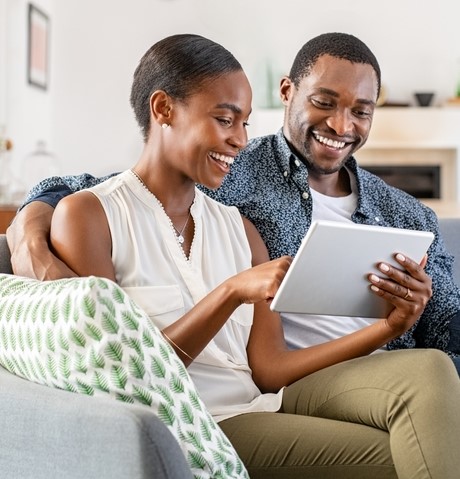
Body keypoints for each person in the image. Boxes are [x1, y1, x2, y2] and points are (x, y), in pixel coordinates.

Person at [16, 32, 460, 478]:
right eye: (226, 120)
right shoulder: (115, 209)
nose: (239, 140)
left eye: (244, 123)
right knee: (401, 455)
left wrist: (390, 325)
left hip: (272, 399)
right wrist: (31, 235)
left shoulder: (243, 228)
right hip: (201, 422)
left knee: (434, 379)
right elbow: (131, 375)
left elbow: (269, 371)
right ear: (163, 109)